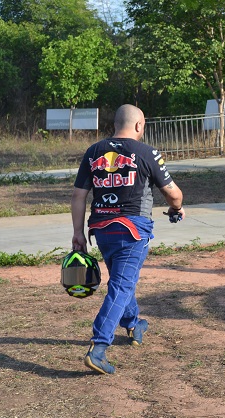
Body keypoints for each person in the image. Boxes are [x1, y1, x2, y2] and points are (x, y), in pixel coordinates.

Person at [70, 104, 185, 374]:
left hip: (101, 230)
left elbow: (78, 196)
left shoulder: (93, 151)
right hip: (133, 231)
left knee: (123, 280)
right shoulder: (147, 152)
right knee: (121, 286)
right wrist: (176, 210)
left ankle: (134, 324)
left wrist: (77, 233)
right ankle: (98, 347)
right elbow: (174, 194)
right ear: (138, 126)